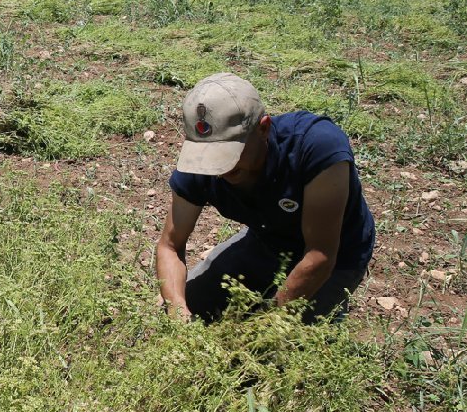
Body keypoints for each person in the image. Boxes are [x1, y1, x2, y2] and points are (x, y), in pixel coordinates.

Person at [155, 73, 375, 324]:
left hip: (336, 255)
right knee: (187, 306)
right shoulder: (200, 167)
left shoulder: (316, 147)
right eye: (208, 153)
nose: (219, 168)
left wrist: (266, 323)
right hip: (268, 240)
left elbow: (320, 254)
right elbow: (170, 246)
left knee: (277, 349)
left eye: (227, 151)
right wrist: (178, 311)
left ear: (264, 128)